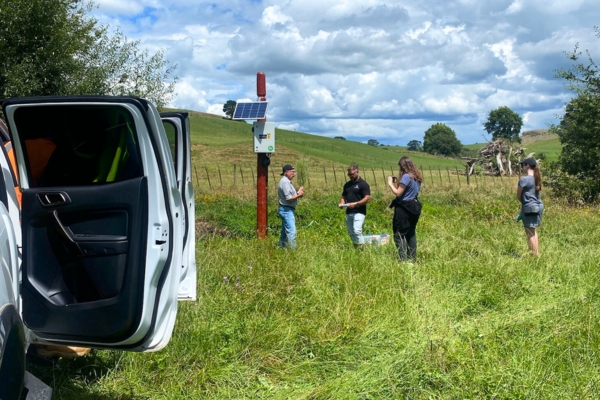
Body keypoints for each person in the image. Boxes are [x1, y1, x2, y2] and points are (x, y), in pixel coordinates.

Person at [387, 156, 423, 262]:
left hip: (404, 207)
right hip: (414, 206)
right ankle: (412, 259)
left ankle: (402, 259)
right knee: (410, 233)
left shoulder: (406, 177)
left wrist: (390, 184)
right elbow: (410, 190)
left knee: (399, 234)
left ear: (403, 166)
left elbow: (398, 193)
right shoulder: (417, 177)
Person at [339, 163, 371, 248]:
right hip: (349, 211)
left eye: (352, 174)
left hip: (359, 211)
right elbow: (343, 196)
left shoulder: (363, 184)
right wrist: (342, 203)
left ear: (357, 172)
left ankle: (361, 248)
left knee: (357, 230)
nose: (350, 176)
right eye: (349, 174)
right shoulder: (347, 185)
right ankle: (356, 247)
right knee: (351, 232)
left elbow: (367, 198)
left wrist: (355, 204)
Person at [516, 157, 544, 256]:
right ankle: (536, 252)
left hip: (529, 208)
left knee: (529, 232)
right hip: (538, 206)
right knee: (533, 230)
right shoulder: (536, 178)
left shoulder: (523, 180)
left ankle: (534, 255)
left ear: (527, 165)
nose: (522, 167)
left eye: (522, 165)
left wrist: (523, 205)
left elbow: (518, 196)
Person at [277, 164, 304, 248]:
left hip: (286, 209)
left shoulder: (285, 181)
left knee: (284, 231)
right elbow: (289, 198)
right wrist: (299, 195)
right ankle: (293, 250)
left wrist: (298, 192)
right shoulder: (285, 182)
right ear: (286, 172)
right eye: (292, 172)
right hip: (286, 210)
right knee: (292, 231)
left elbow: (289, 195)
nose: (294, 174)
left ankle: (282, 247)